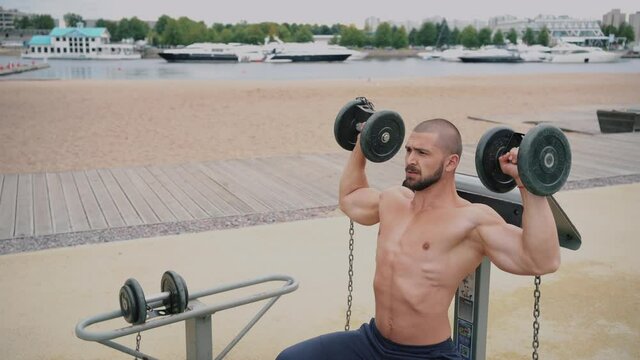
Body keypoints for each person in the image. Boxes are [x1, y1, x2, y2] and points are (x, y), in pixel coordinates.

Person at [277, 118, 561, 360]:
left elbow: (541, 259)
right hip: (373, 343)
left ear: (451, 162)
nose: (411, 160)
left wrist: (528, 181)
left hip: (427, 354)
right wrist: (363, 144)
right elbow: (350, 199)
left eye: (423, 153)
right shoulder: (393, 201)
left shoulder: (471, 220)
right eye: (409, 150)